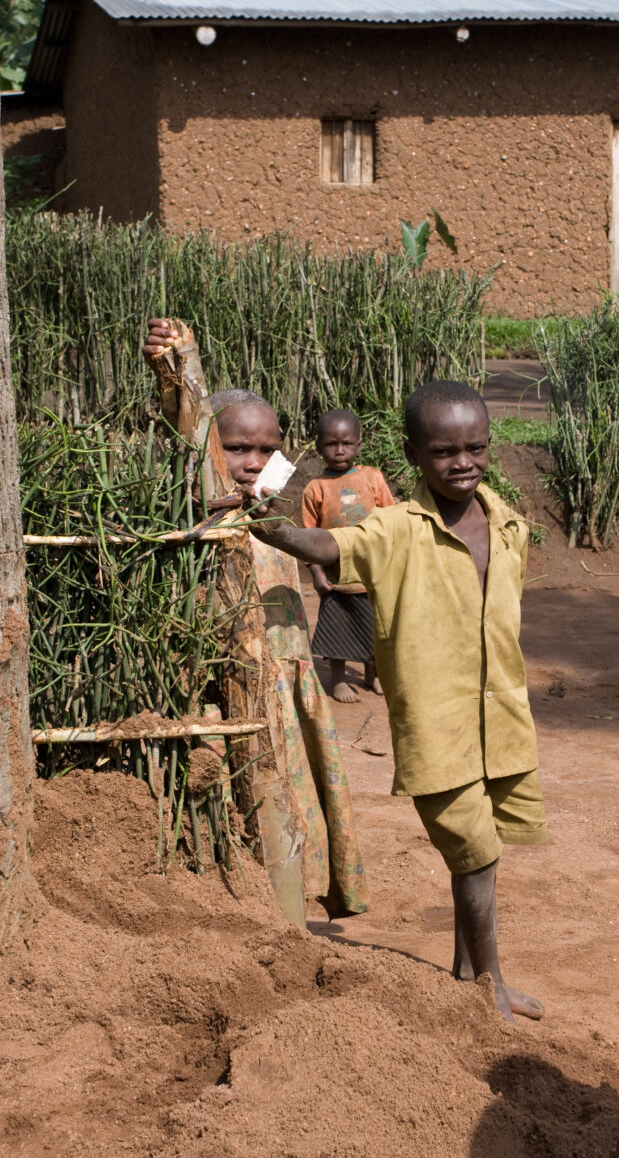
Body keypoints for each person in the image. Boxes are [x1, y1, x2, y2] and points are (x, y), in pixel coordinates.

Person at [246, 379, 547, 1024]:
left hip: (500, 717)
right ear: (413, 455)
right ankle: (489, 985)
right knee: (476, 850)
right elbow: (332, 545)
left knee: (485, 845)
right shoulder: (395, 530)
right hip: (438, 725)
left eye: (475, 448)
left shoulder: (509, 525)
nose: (462, 463)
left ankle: (470, 975)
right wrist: (266, 527)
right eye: (443, 452)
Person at [143, 320, 368, 919]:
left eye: (266, 447)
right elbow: (184, 436)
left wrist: (251, 494)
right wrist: (173, 374)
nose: (253, 461)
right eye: (237, 447)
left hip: (285, 662)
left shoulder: (277, 485)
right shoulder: (184, 495)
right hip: (226, 676)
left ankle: (305, 900)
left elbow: (283, 508)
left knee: (294, 789)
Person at [302, 408, 394, 704]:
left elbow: (391, 520)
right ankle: (339, 679)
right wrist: (317, 573)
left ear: (359, 445)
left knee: (379, 628)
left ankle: (375, 673)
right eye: (331, 444)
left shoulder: (372, 478)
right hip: (337, 576)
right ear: (318, 448)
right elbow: (308, 537)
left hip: (374, 570)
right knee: (338, 629)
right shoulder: (315, 489)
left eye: (346, 443)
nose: (339, 450)